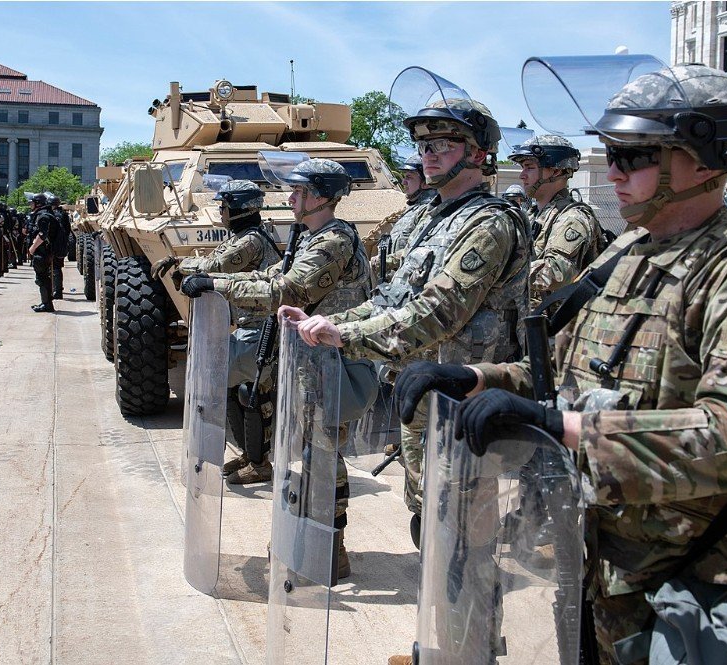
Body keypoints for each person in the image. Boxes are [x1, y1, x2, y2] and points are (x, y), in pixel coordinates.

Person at [396, 64, 727, 664]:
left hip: (701, 592)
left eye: (634, 157)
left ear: (704, 162)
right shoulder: (629, 253)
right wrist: (478, 380)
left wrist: (564, 430)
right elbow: (569, 377)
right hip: (603, 575)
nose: (616, 172)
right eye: (612, 155)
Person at [281, 96, 531, 565]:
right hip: (421, 394)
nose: (428, 152)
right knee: (428, 521)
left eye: (444, 142)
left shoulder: (488, 223)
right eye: (423, 143)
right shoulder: (426, 218)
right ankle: (439, 636)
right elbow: (392, 297)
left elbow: (440, 311)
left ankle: (473, 639)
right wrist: (335, 321)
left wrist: (346, 336)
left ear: (478, 153)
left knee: (464, 539)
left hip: (467, 400)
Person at [180, 157, 371, 579]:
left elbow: (288, 289)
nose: (290, 197)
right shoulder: (310, 236)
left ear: (321, 196)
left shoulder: (332, 241)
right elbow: (272, 273)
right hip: (311, 361)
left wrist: (218, 284)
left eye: (299, 192)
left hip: (330, 363)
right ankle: (307, 535)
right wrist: (204, 271)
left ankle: (329, 546)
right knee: (307, 451)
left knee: (321, 454)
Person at [152, 180, 281, 483]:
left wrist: (180, 262)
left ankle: (260, 464)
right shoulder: (244, 236)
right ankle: (251, 456)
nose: (220, 211)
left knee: (251, 393)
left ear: (237, 208)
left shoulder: (250, 240)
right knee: (236, 389)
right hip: (249, 328)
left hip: (261, 329)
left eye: (223, 206)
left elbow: (215, 265)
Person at [510, 134, 606, 309]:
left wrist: (500, 269)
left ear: (556, 171)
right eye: (522, 167)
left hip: (555, 327)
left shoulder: (573, 217)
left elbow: (557, 272)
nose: (522, 175)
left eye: (529, 167)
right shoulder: (533, 215)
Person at [363, 153, 436, 264]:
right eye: (404, 177)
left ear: (426, 183)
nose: (403, 182)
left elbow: (421, 249)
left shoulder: (428, 210)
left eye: (409, 177)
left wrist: (385, 262)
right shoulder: (414, 208)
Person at [27, 194, 59, 313]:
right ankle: (45, 302)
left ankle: (47, 304)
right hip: (45, 252)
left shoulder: (42, 216)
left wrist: (32, 248)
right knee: (44, 278)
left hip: (42, 252)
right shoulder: (45, 214)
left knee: (42, 278)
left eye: (32, 203)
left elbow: (42, 235)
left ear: (38, 203)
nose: (31, 205)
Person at [49, 195, 71, 300]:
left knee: (54, 268)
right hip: (61, 244)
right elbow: (68, 230)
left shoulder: (53, 215)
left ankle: (57, 291)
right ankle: (57, 289)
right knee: (57, 267)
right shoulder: (64, 214)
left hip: (54, 244)